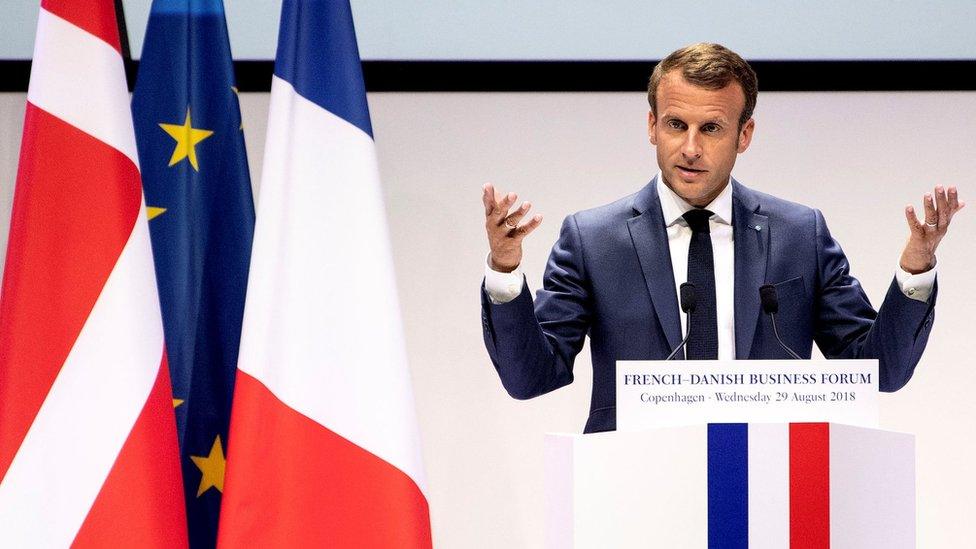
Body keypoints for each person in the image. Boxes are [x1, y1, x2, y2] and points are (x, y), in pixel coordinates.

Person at [479, 43, 965, 433]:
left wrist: (915, 270)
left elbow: (879, 371)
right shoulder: (593, 240)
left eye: (711, 128)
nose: (690, 148)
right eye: (676, 125)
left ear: (744, 134)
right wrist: (504, 270)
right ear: (652, 125)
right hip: (633, 491)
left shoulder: (799, 234)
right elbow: (530, 378)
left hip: (768, 487)